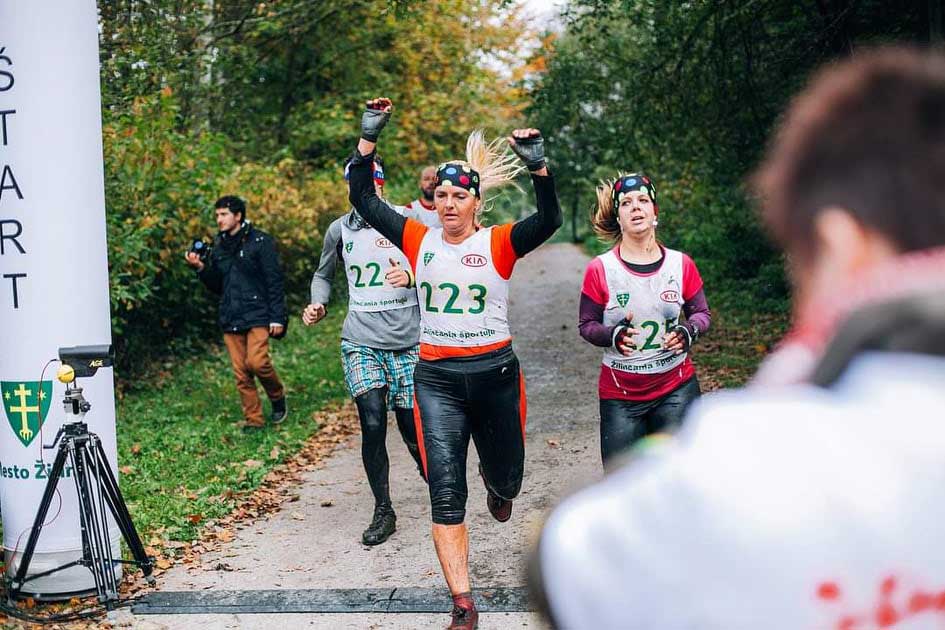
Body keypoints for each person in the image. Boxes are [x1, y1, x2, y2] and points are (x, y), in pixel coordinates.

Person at [532, 47, 945, 629]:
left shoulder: (745, 454)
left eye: (799, 260)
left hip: (676, 399)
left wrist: (789, 387)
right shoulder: (602, 269)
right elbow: (589, 326)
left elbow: (562, 561)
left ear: (840, 244)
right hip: (624, 390)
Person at [348, 97, 561, 630]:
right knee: (444, 489)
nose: (446, 203)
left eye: (458, 196)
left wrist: (539, 168)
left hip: (496, 377)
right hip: (437, 378)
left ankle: (499, 484)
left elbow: (550, 219)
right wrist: (368, 137)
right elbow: (362, 197)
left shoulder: (499, 242)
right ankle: (463, 603)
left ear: (475, 201)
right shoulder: (417, 237)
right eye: (440, 195)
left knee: (508, 480)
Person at [302, 157, 425, 546]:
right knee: (372, 422)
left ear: (381, 184)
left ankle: (438, 483)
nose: (361, 192)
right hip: (361, 339)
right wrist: (317, 303)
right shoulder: (339, 230)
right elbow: (323, 274)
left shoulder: (408, 221)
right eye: (355, 185)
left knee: (411, 428)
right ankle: (383, 509)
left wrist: (413, 277)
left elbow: (441, 264)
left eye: (368, 183)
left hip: (408, 340)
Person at [579, 173, 711, 466]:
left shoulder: (681, 264)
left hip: (677, 389)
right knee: (621, 487)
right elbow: (586, 325)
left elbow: (702, 314)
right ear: (619, 217)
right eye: (626, 203)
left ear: (655, 212)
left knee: (681, 480)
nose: (635, 207)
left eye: (643, 200)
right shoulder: (600, 269)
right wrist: (612, 335)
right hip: (620, 396)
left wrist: (688, 331)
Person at [185, 195, 288, 431]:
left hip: (258, 312)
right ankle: (254, 420)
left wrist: (277, 317)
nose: (219, 219)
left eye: (224, 214)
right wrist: (200, 268)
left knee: (257, 362)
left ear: (238, 216)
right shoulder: (218, 246)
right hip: (230, 315)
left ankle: (277, 395)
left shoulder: (260, 241)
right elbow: (217, 285)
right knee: (241, 373)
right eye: (217, 215)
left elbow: (274, 280)